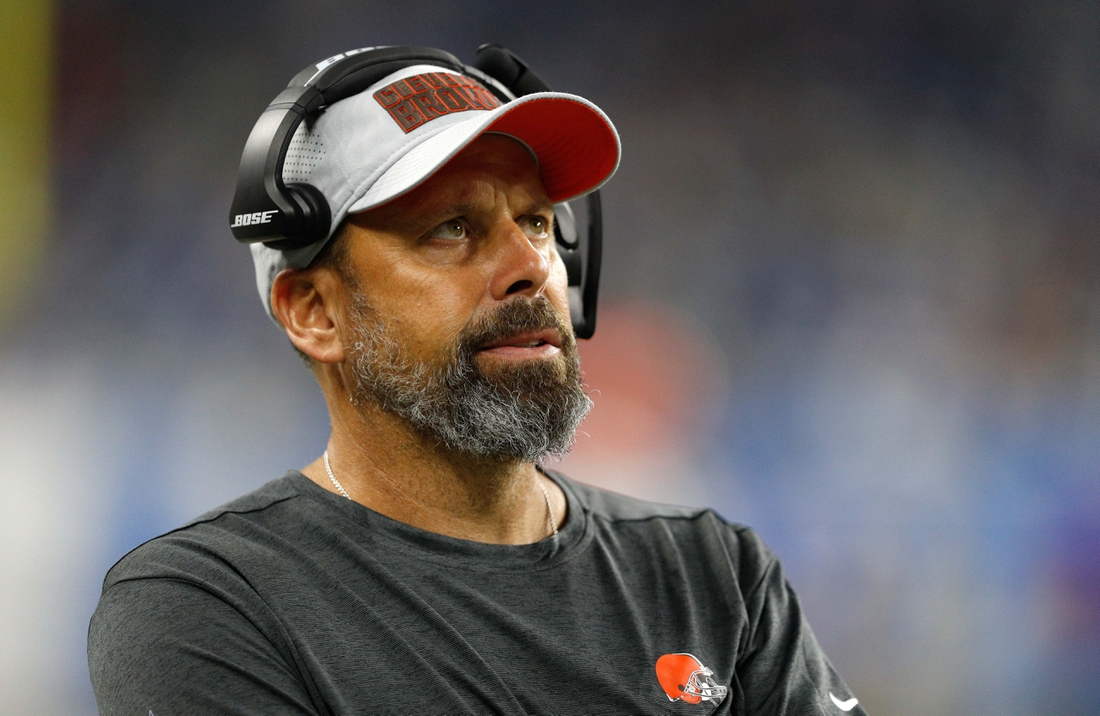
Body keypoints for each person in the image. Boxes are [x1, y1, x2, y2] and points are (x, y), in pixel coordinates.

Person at [88, 47, 866, 715]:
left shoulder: (715, 574)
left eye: (534, 222)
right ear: (316, 312)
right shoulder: (207, 606)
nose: (531, 267)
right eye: (450, 229)